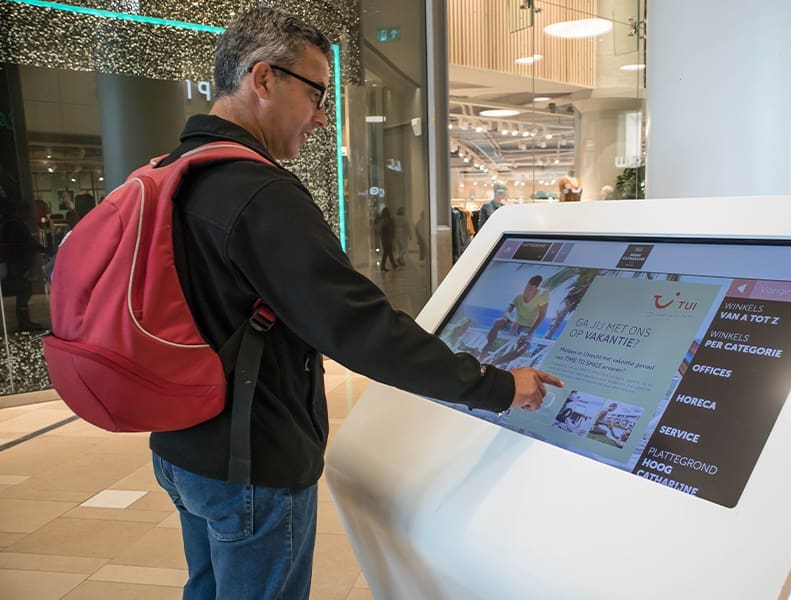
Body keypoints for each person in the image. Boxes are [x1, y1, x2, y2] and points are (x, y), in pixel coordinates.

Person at [148, 7, 562, 599]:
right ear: (263, 80)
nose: (322, 117)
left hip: (181, 444)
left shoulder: (174, 170)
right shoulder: (260, 193)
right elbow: (361, 329)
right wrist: (498, 386)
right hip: (250, 462)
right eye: (316, 93)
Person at [480, 275, 549, 364]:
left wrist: (529, 333)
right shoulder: (518, 297)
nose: (526, 291)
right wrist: (513, 321)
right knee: (498, 322)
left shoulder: (540, 298)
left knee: (523, 349)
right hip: (513, 324)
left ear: (536, 290)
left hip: (527, 328)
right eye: (526, 288)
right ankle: (484, 352)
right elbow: (507, 312)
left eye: (530, 290)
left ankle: (493, 363)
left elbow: (541, 316)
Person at [378, 206, 397, 271]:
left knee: (388, 251)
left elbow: (380, 230)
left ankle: (392, 264)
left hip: (384, 238)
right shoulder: (389, 220)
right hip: (388, 237)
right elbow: (392, 229)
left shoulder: (382, 220)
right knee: (387, 251)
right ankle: (384, 266)